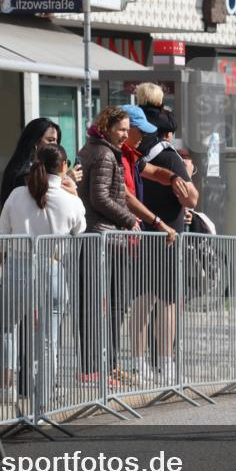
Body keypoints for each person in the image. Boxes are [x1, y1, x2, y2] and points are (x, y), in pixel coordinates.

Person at [0, 144, 86, 396]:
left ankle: (5, 387)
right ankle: (46, 389)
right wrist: (74, 192)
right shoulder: (71, 201)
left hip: (18, 266)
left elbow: (1, 233)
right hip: (53, 268)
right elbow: (80, 231)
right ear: (64, 166)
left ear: (36, 162)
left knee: (6, 327)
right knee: (49, 337)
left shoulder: (16, 195)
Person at [127, 106, 200, 384]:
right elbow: (191, 198)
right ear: (167, 134)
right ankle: (166, 363)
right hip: (167, 234)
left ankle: (138, 361)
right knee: (167, 302)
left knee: (142, 302)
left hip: (140, 233)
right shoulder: (170, 157)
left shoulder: (132, 156)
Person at [77, 106, 140, 384]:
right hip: (102, 235)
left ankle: (108, 364)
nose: (126, 135)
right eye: (122, 129)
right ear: (107, 128)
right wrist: (129, 219)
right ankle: (96, 368)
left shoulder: (97, 149)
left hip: (104, 235)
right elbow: (100, 197)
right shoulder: (103, 153)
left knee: (110, 304)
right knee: (104, 305)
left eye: (127, 129)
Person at [0, 118, 82, 209]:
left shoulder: (43, 170)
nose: (55, 145)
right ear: (35, 142)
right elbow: (40, 205)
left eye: (57, 141)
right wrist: (63, 181)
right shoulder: (23, 175)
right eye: (50, 140)